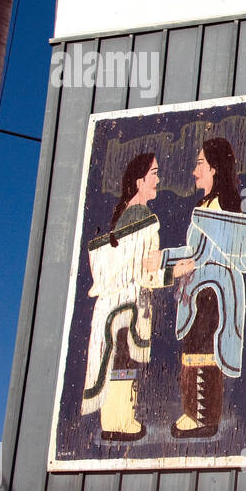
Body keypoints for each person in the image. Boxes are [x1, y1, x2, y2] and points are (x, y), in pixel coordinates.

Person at [152, 138, 246, 438]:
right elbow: (195, 251)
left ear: (214, 167)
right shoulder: (207, 204)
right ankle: (195, 413)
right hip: (203, 289)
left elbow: (198, 254)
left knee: (203, 351)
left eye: (200, 164)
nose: (195, 170)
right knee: (194, 350)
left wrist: (164, 258)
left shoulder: (220, 206)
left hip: (211, 291)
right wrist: (168, 258)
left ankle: (203, 417)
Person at [82, 153, 186, 441]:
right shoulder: (142, 217)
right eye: (154, 173)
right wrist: (176, 271)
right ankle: (119, 422)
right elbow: (144, 272)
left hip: (116, 305)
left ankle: (118, 420)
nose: (158, 179)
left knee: (120, 360)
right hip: (128, 305)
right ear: (140, 181)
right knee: (124, 362)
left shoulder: (126, 215)